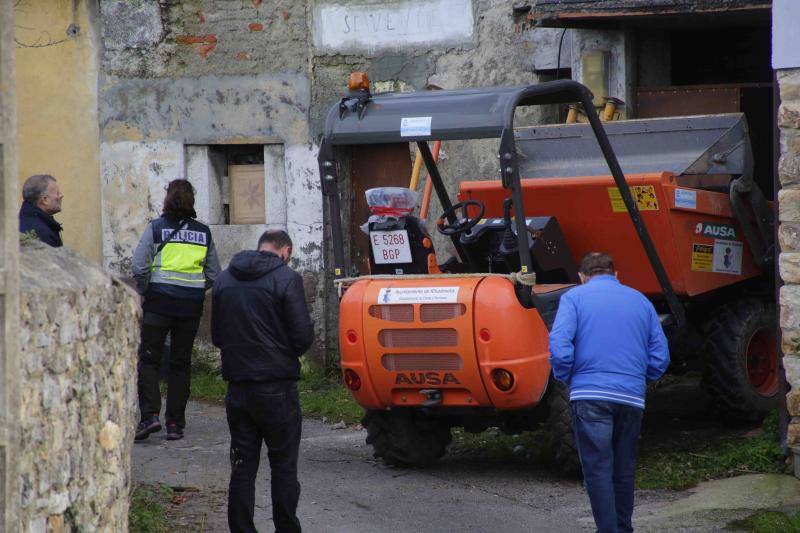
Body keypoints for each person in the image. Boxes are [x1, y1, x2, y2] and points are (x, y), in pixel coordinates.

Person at [549, 252, 669, 533]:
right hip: (631, 397)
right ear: (616, 276)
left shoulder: (574, 298)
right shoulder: (641, 300)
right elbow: (660, 355)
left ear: (581, 277)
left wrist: (567, 377)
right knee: (623, 468)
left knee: (598, 469)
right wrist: (639, 379)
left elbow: (559, 343)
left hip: (589, 395)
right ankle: (623, 529)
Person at [211, 229, 314, 533]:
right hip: (277, 388)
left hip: (238, 388)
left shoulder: (224, 279)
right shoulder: (286, 278)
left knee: (242, 465)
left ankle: (242, 529)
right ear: (286, 251)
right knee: (283, 466)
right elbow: (302, 337)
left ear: (260, 248)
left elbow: (217, 336)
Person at [132, 179, 220, 441]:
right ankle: (175, 425)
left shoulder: (155, 228)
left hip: (158, 304)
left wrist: (149, 288)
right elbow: (215, 274)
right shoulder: (203, 233)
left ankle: (149, 417)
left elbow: (139, 267)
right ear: (192, 200)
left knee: (149, 359)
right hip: (189, 308)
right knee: (180, 364)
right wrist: (194, 290)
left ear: (167, 199)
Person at [19, 174, 64, 247]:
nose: (61, 195)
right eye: (57, 193)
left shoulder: (23, 219)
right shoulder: (42, 234)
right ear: (45, 200)